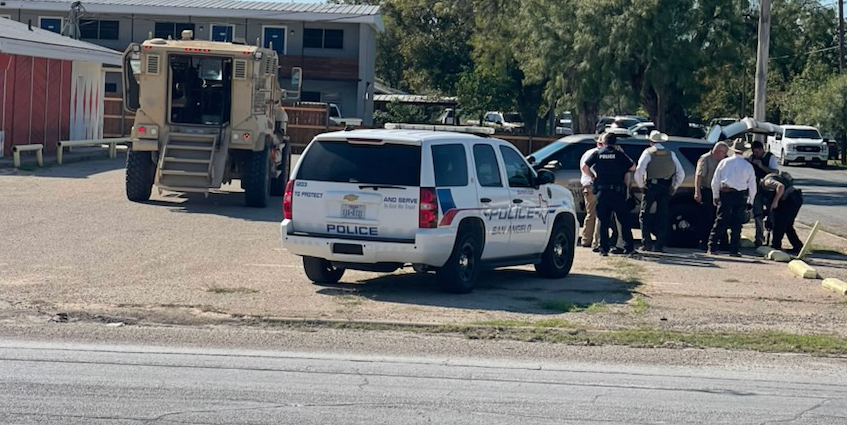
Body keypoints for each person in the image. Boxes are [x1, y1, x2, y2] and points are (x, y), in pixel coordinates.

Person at [582, 132, 636, 256]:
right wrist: (622, 152)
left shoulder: (598, 153)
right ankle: (629, 248)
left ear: (604, 142)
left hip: (602, 191)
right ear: (615, 143)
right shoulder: (619, 154)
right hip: (617, 193)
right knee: (624, 221)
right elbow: (633, 167)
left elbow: (585, 167)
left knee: (603, 221)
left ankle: (603, 249)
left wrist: (593, 177)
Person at [634, 131, 685, 252]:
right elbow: (680, 173)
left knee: (644, 215)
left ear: (651, 141)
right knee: (662, 216)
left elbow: (639, 171)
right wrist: (674, 186)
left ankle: (646, 243)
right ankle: (659, 245)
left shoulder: (648, 153)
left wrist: (641, 185)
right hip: (665, 186)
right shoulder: (671, 154)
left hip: (651, 186)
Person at [709, 140, 757, 257]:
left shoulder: (724, 162)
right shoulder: (748, 166)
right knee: (737, 223)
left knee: (720, 220)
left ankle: (712, 246)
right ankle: (734, 250)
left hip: (725, 193)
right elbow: (752, 186)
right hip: (740, 195)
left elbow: (715, 181)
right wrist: (751, 201)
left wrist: (715, 195)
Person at [694, 142, 729, 250]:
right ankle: (705, 242)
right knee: (707, 218)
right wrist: (697, 191)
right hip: (707, 191)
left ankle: (723, 243)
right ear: (718, 152)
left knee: (721, 217)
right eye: (724, 153)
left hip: (720, 192)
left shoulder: (724, 161)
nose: (725, 156)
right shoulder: (706, 159)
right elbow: (699, 176)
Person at [761, 172, 804, 253]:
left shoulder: (767, 182)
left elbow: (780, 187)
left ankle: (776, 246)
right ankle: (797, 246)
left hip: (789, 199)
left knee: (779, 224)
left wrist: (775, 202)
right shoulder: (775, 177)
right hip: (796, 198)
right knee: (787, 225)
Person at [747, 140, 778, 246]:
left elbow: (775, 172)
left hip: (769, 190)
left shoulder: (770, 157)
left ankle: (774, 240)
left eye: (757, 152)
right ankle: (759, 238)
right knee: (758, 214)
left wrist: (761, 166)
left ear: (762, 150)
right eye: (754, 152)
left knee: (772, 214)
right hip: (757, 190)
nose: (756, 154)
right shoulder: (751, 158)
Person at [579, 139, 603, 248]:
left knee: (590, 214)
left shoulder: (588, 153)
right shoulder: (598, 154)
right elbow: (586, 168)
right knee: (598, 214)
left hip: (587, 186)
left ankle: (586, 239)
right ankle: (596, 242)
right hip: (595, 185)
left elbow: (583, 167)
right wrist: (593, 176)